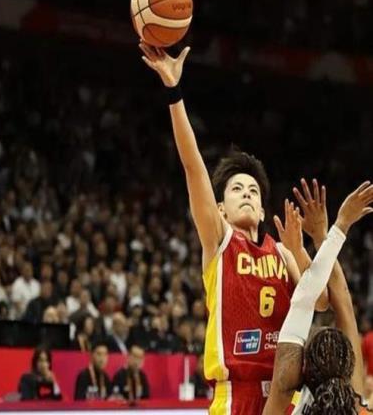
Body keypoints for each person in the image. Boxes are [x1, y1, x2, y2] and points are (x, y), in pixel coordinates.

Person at [139, 42, 329, 413]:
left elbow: (321, 302)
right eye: (237, 189)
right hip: (235, 395)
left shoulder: (282, 251)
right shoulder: (219, 241)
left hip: (284, 395)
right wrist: (174, 91)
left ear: (262, 211)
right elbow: (193, 166)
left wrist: (299, 249)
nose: (247, 194)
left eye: (254, 191)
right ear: (221, 209)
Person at [262, 181, 373, 414]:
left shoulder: (284, 390)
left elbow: (306, 300)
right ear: (351, 368)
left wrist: (337, 229)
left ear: (302, 368)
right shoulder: (359, 407)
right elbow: (341, 302)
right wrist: (331, 231)